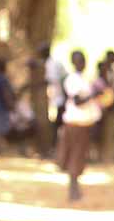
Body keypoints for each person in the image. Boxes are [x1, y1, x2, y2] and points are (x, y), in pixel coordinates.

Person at [56, 50, 102, 201]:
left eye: (83, 60)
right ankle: (73, 191)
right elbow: (77, 101)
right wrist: (92, 96)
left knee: (79, 156)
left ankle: (75, 190)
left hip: (84, 123)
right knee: (75, 156)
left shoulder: (83, 79)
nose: (82, 63)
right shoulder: (72, 79)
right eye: (79, 60)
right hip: (76, 124)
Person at [41, 43, 67, 152]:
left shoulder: (52, 64)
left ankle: (55, 148)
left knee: (56, 125)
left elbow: (51, 80)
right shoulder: (50, 63)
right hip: (56, 98)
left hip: (58, 98)